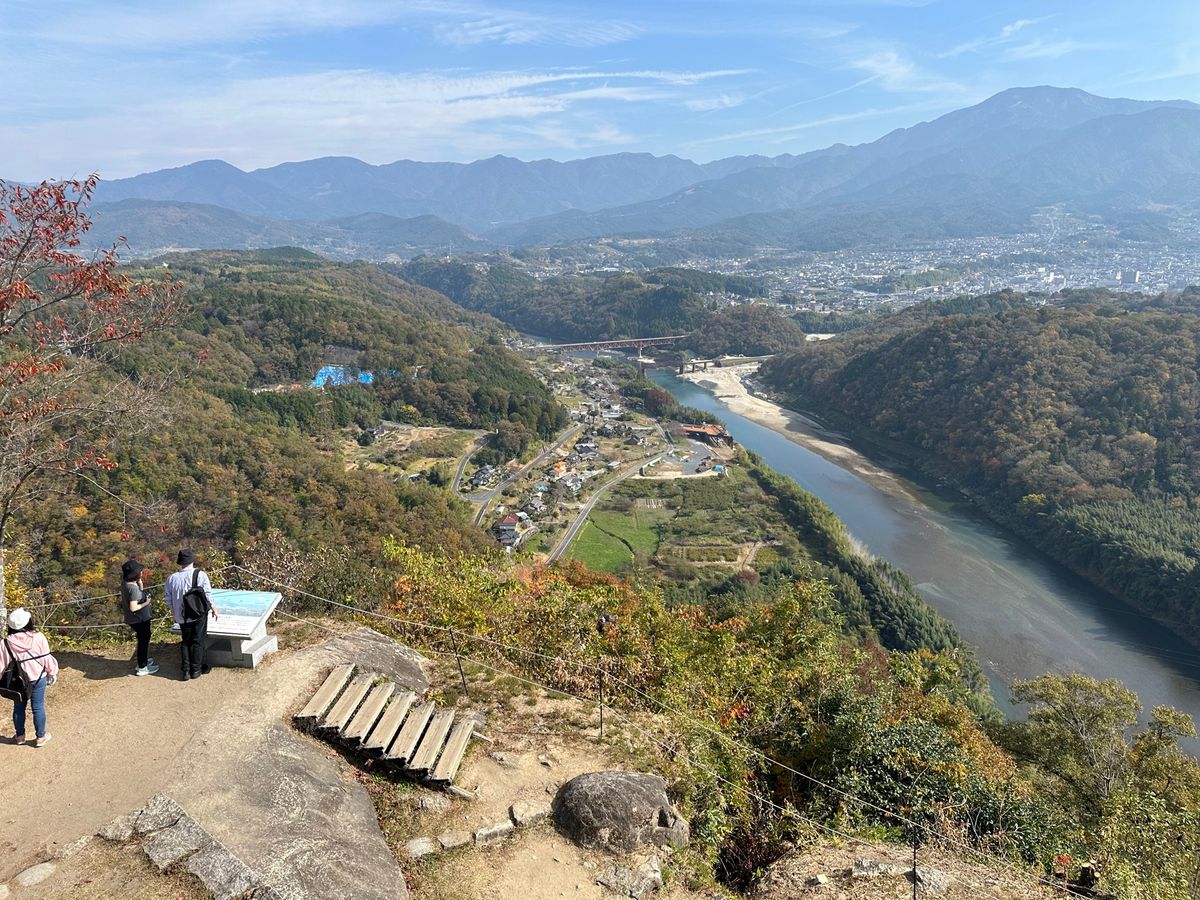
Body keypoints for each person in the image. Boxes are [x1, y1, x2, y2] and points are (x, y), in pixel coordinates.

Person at [1, 608, 58, 748]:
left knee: (18, 707)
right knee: (38, 707)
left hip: (17, 681)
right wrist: (52, 672)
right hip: (38, 677)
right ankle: (40, 737)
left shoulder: (5, 643)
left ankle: (20, 736)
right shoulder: (38, 637)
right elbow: (46, 658)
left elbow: (1, 664)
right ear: (28, 622)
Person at [164, 549, 219, 681]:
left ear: (180, 563)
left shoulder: (171, 578)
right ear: (192, 560)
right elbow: (207, 594)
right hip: (198, 613)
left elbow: (168, 598)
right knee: (198, 641)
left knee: (185, 642)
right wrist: (213, 608)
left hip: (181, 615)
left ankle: (186, 671)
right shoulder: (200, 575)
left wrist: (174, 613)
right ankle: (196, 669)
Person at [121, 559, 158, 676]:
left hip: (132, 619)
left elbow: (137, 593)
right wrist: (147, 602)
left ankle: (143, 660)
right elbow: (133, 607)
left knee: (142, 640)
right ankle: (142, 667)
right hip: (139, 619)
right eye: (139, 571)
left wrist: (140, 582)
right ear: (135, 574)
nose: (141, 572)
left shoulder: (125, 583)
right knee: (143, 641)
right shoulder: (133, 588)